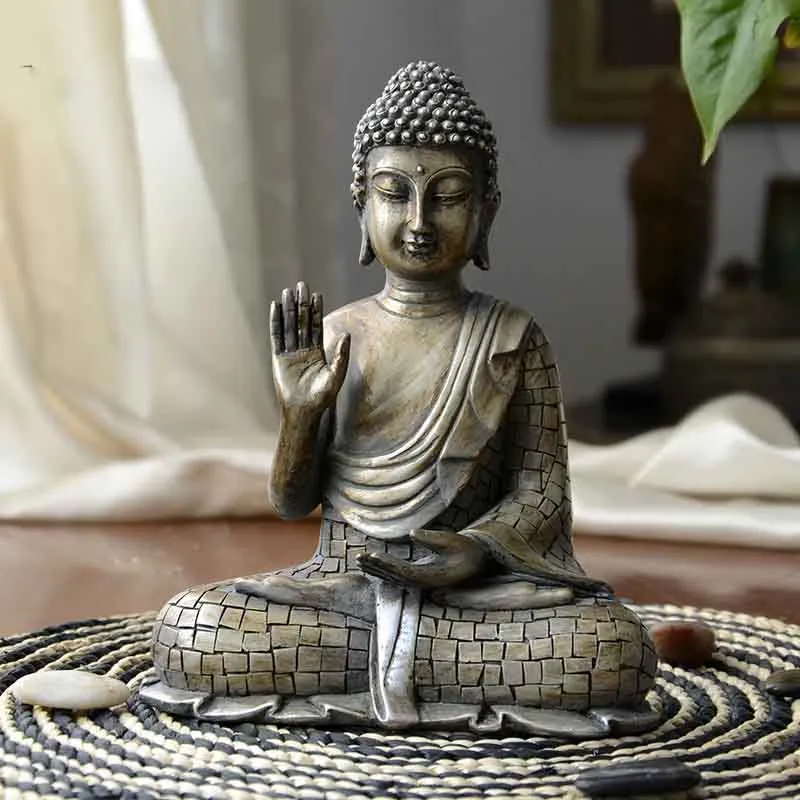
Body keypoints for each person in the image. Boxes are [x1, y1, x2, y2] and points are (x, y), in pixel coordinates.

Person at [143, 62, 657, 734]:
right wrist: (301, 414)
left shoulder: (511, 337)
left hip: (473, 598)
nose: (419, 221)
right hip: (341, 593)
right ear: (363, 204)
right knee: (195, 626)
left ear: (486, 211)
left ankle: (380, 669)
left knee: (611, 647)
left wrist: (474, 551)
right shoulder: (337, 335)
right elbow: (292, 502)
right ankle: (422, 670)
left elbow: (542, 492)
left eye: (448, 196)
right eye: (394, 193)